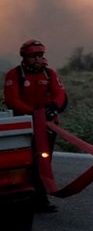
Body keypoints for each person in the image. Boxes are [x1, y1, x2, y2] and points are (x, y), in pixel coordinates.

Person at [3, 39, 67, 213]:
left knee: (43, 162)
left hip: (47, 127)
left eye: (40, 55)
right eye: (34, 56)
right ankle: (30, 198)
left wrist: (52, 107)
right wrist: (33, 113)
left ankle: (38, 198)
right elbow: (12, 100)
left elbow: (60, 95)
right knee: (26, 163)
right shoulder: (14, 75)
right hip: (24, 128)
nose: (38, 59)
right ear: (25, 57)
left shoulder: (49, 74)